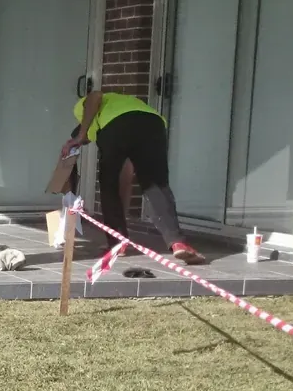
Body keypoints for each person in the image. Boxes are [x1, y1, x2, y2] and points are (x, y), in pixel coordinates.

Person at [62, 91, 206, 264]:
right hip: (153, 124)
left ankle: (117, 244)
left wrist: (78, 136)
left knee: (109, 185)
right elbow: (126, 175)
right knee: (156, 186)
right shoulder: (120, 107)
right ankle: (178, 243)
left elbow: (95, 96)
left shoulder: (85, 113)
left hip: (119, 125)